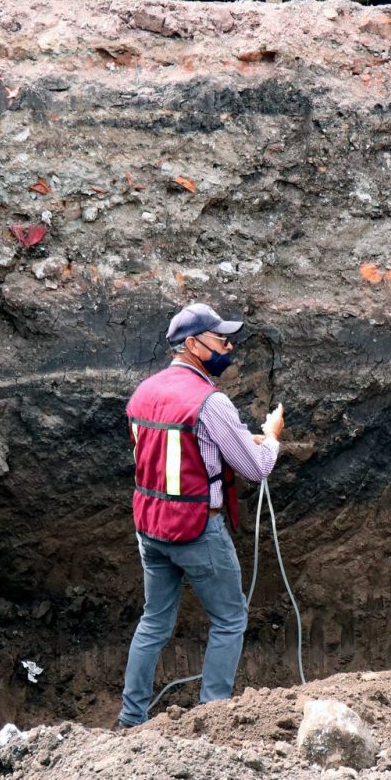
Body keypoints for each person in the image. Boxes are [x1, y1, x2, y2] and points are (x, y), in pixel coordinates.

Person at [117, 303, 284, 728]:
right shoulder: (211, 402)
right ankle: (211, 720)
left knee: (153, 621)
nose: (229, 347)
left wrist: (239, 438)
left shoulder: (144, 393)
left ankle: (130, 718)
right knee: (230, 620)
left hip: (150, 526)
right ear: (192, 345)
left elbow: (174, 448)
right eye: (221, 339)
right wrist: (271, 439)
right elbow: (256, 469)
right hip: (196, 528)